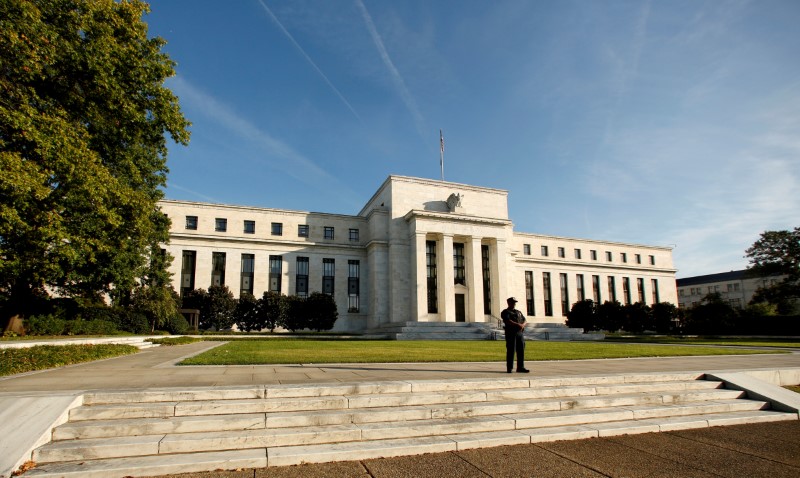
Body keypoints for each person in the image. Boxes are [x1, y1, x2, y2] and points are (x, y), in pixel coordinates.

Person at [501, 297, 530, 373]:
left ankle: (520, 367)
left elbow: (524, 320)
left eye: (514, 303)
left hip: (519, 333)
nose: (514, 304)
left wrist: (523, 325)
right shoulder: (505, 312)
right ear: (508, 303)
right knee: (511, 350)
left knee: (521, 350)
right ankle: (509, 367)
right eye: (512, 302)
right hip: (511, 333)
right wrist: (518, 325)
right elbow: (507, 321)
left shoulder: (518, 312)